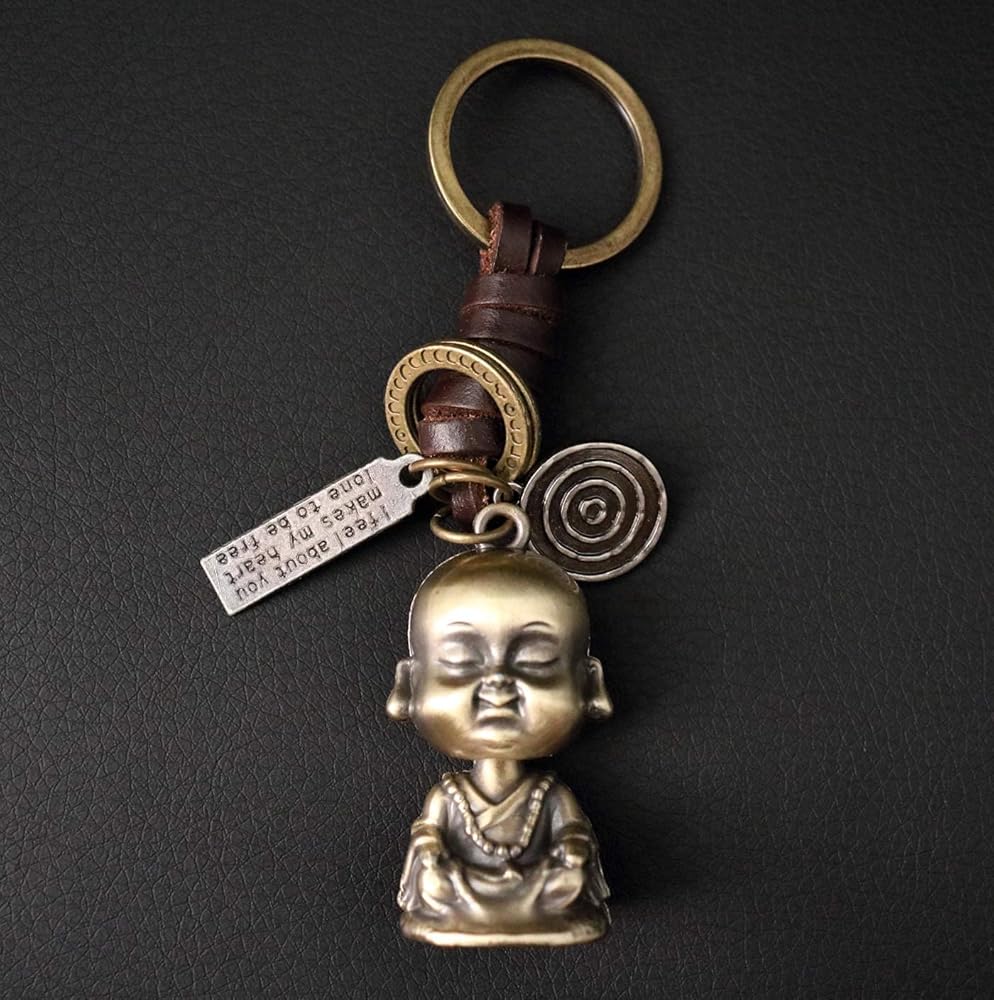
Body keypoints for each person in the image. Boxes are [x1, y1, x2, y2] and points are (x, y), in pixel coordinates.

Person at [387, 547, 613, 946]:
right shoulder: (446, 797)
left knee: (566, 881)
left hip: (540, 889)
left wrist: (573, 849)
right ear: (408, 685)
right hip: (460, 887)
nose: (497, 683)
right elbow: (427, 834)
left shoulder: (551, 796)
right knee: (438, 883)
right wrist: (430, 851)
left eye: (536, 658)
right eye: (461, 659)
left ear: (590, 684)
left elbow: (573, 833)